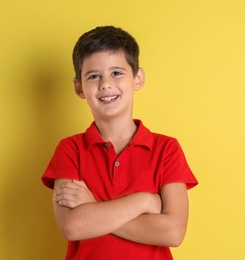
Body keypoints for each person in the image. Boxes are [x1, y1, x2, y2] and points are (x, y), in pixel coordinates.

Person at [41, 25, 198, 260]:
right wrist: (144, 201)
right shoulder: (70, 149)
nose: (105, 84)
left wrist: (93, 206)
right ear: (78, 87)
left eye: (116, 73)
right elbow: (73, 227)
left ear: (137, 78)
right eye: (93, 76)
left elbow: (173, 232)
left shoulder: (167, 149)